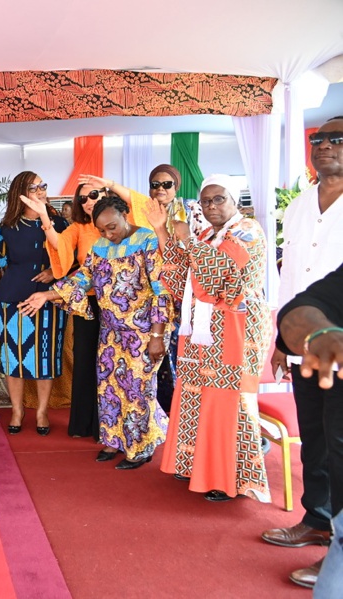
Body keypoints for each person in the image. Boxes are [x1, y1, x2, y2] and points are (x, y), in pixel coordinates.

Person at [19, 196, 171, 469]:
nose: (108, 234)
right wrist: (47, 295)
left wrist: (157, 337)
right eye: (101, 230)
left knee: (137, 390)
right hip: (110, 331)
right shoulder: (100, 247)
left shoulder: (147, 241)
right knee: (110, 388)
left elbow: (162, 291)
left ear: (125, 214)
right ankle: (114, 440)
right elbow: (82, 278)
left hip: (143, 332)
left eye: (112, 227)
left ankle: (140, 448)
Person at [152, 175, 272, 502]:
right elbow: (180, 278)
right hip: (202, 329)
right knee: (195, 394)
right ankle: (195, 466)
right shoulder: (206, 234)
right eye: (206, 201)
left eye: (219, 199)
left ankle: (230, 479)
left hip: (236, 328)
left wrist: (188, 241)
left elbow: (219, 273)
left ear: (234, 201)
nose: (211, 206)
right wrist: (163, 231)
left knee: (225, 401)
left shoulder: (248, 230)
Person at [262, 116, 343, 589]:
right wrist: (281, 341)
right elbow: (289, 280)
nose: (325, 145)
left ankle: (337, 554)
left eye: (337, 139)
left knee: (340, 443)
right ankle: (317, 519)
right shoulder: (296, 208)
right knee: (314, 435)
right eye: (319, 139)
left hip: (340, 347)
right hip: (303, 343)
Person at [78, 167, 206, 414]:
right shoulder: (145, 210)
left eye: (167, 184)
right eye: (155, 184)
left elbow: (186, 260)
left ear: (177, 186)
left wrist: (157, 334)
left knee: (173, 367)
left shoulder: (190, 209)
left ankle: (178, 418)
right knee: (126, 386)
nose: (160, 189)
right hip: (133, 317)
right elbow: (128, 201)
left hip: (180, 299)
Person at [275, 262, 343, 594]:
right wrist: (320, 334)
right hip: (323, 359)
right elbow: (300, 307)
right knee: (318, 446)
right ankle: (319, 523)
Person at [0, 172, 66, 434]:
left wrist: (54, 271)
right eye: (34, 187)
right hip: (13, 298)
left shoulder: (59, 223)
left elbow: (71, 257)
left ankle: (42, 412)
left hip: (49, 298)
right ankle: (17, 411)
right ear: (20, 193)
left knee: (45, 357)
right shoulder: (8, 226)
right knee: (14, 358)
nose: (41, 191)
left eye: (43, 186)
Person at [30, 183, 106, 437]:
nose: (89, 201)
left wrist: (112, 184)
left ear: (107, 194)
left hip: (120, 305)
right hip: (87, 301)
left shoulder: (125, 225)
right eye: (83, 198)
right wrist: (44, 215)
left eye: (94, 195)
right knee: (84, 359)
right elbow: (61, 247)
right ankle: (84, 424)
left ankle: (109, 427)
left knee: (111, 363)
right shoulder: (80, 227)